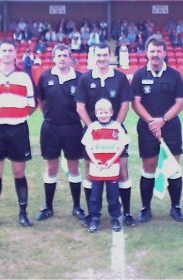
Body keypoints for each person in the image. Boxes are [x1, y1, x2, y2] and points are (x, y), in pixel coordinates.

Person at [75, 43, 137, 228]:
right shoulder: (85, 78)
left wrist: (115, 127)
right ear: (94, 56)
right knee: (90, 171)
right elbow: (80, 107)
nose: (101, 59)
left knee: (122, 171)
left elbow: (125, 104)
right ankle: (93, 214)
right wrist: (93, 128)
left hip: (116, 133)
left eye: (104, 55)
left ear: (110, 56)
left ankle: (125, 213)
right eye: (98, 55)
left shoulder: (120, 77)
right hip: (93, 135)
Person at [0, 40, 37, 227]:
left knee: (19, 172)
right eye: (4, 50)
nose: (7, 53)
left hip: (18, 129)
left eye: (11, 50)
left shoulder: (25, 77)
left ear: (15, 54)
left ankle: (23, 214)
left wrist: (17, 116)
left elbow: (32, 105)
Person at [131, 35, 183, 223]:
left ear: (165, 53)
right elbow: (136, 103)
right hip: (147, 128)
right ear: (147, 53)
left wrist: (162, 120)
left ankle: (176, 207)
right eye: (152, 51)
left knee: (173, 168)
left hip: (170, 127)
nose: (155, 55)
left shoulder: (174, 75)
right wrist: (151, 122)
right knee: (148, 167)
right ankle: (145, 208)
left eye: (158, 51)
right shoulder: (139, 75)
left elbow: (180, 102)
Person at [35, 44, 86, 222]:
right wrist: (49, 115)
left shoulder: (79, 78)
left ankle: (77, 207)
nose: (62, 58)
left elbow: (84, 103)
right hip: (51, 128)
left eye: (65, 55)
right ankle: (48, 207)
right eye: (59, 55)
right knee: (51, 168)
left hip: (73, 127)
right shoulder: (45, 77)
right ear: (54, 58)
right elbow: (40, 100)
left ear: (70, 58)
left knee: (74, 168)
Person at [81, 98, 129, 232]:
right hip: (96, 169)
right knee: (95, 196)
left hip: (112, 169)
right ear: (96, 114)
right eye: (100, 113)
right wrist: (95, 161)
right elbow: (88, 147)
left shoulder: (116, 127)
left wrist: (112, 160)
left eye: (106, 112)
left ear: (112, 112)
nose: (103, 115)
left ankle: (115, 218)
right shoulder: (92, 128)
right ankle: (95, 218)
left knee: (113, 196)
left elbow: (122, 146)